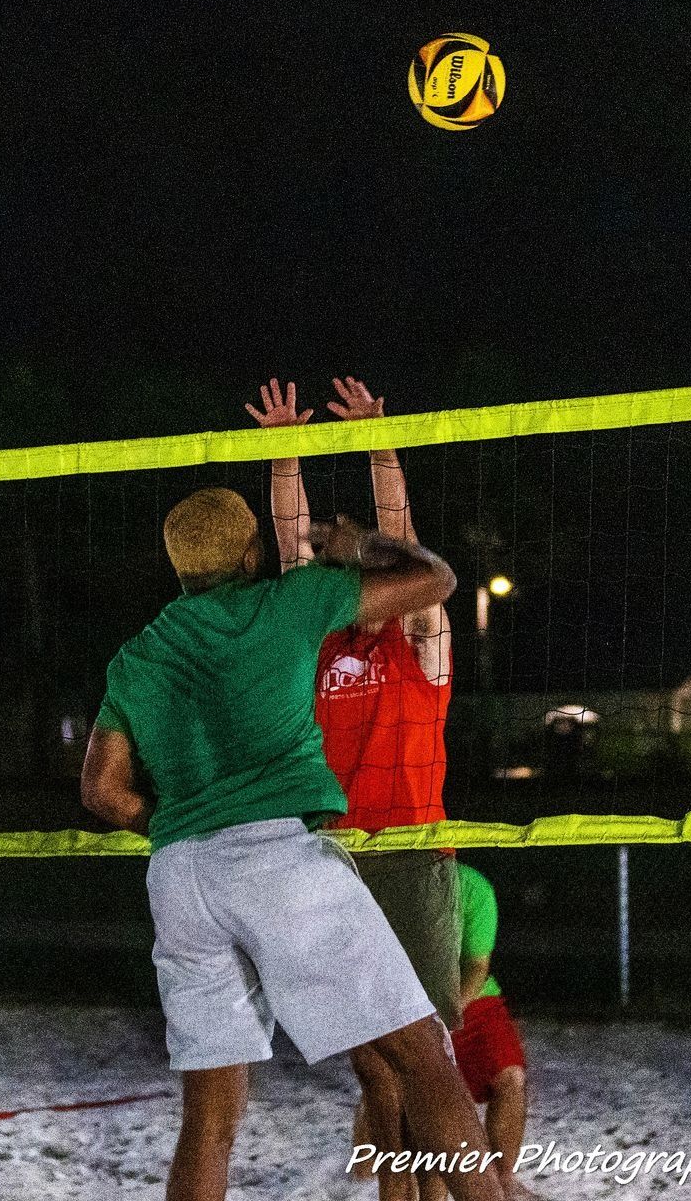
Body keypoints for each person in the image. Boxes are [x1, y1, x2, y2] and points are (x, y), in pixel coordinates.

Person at [80, 486, 505, 1201]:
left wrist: (187, 819)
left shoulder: (138, 655)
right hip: (276, 856)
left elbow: (103, 793)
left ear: (180, 569)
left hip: (181, 874)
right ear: (251, 553)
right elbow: (439, 580)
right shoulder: (291, 601)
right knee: (425, 1058)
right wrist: (362, 546)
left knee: (208, 1121)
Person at [248, 376, 460, 1201]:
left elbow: (410, 548)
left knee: (429, 1066)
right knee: (380, 1077)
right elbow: (288, 545)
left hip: (409, 858)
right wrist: (284, 451)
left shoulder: (420, 643)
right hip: (329, 862)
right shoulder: (316, 642)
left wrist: (381, 443)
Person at [424, 863, 531, 1201]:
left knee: (510, 1078)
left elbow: (477, 967)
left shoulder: (471, 887)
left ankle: (502, 1183)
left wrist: (448, 1014)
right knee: (434, 1111)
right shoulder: (393, 882)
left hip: (471, 1000)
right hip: (411, 1003)